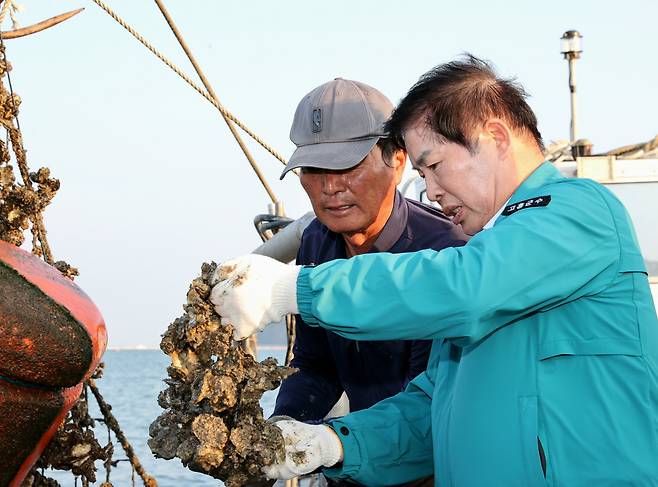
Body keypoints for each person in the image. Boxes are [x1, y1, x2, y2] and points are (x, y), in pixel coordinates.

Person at [211, 56, 658, 486]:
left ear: (495, 138)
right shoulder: (492, 253)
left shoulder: (578, 211)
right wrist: (332, 444)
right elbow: (431, 408)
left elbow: (464, 286)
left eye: (435, 166)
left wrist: (295, 290)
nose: (431, 190)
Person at [272, 78, 467, 486]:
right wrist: (284, 425)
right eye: (313, 169)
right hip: (352, 460)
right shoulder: (315, 241)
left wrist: (329, 445)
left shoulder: (446, 251)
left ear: (396, 158)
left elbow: (428, 407)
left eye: (346, 166)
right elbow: (315, 364)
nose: (330, 186)